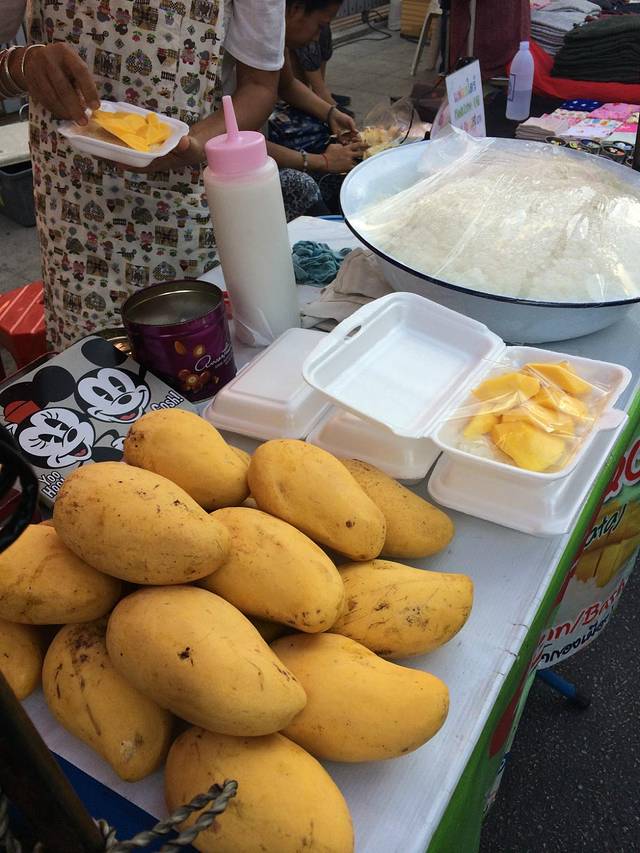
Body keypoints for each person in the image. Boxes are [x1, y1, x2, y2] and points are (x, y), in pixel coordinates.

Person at [0, 0, 285, 350]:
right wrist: (20, 65)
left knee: (196, 357)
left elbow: (259, 87)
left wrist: (194, 142)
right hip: (73, 214)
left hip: (183, 210)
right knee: (94, 365)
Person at [266, 0, 367, 218]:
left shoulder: (275, 38)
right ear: (295, 10)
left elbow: (287, 84)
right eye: (320, 26)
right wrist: (323, 161)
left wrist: (331, 113)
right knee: (300, 185)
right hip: (238, 162)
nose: (316, 38)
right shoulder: (254, 42)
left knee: (322, 131)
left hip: (262, 138)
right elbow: (250, 144)